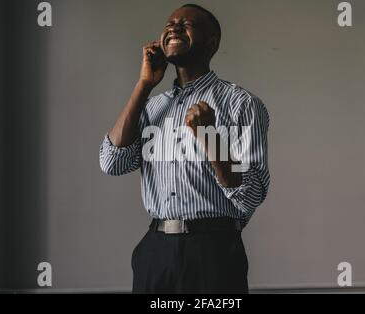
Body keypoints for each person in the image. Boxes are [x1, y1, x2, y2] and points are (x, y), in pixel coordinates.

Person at [99, 3, 270, 294]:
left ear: (212, 42)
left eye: (186, 24)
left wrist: (209, 136)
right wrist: (144, 85)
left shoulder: (241, 104)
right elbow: (112, 162)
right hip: (155, 251)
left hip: (212, 251)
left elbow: (251, 194)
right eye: (170, 23)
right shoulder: (151, 106)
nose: (174, 28)